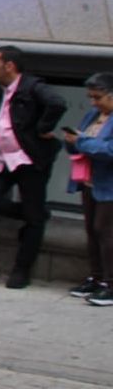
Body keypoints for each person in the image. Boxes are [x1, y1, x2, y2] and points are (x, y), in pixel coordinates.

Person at [0, 45, 68, 289]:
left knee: (34, 220)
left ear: (9, 66)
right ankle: (36, 213)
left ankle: (21, 270)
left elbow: (58, 103)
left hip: (28, 160)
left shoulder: (32, 87)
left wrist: (42, 128)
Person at [62, 72, 113, 306]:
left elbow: (109, 150)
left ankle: (110, 285)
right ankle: (97, 277)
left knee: (106, 231)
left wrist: (80, 142)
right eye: (91, 97)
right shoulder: (94, 115)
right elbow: (81, 145)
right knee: (92, 230)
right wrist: (71, 141)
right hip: (89, 181)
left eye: (98, 97)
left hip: (108, 184)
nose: (93, 102)